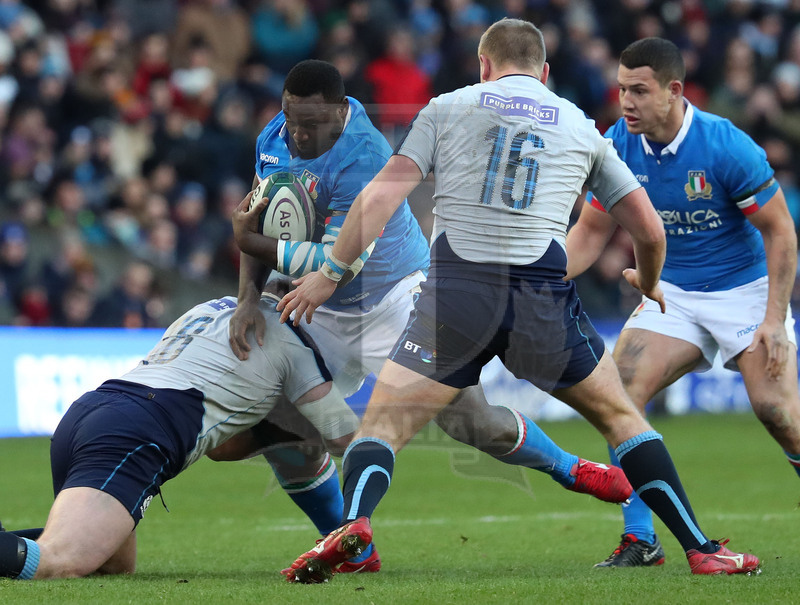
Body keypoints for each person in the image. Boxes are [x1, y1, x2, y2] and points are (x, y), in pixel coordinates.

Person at [276, 19, 761, 582]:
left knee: (382, 429)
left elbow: (378, 199)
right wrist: (650, 281)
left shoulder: (447, 107)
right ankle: (701, 549)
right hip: (541, 300)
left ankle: (355, 525)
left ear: (484, 65)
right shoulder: (581, 127)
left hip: (455, 295)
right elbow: (650, 231)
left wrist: (331, 272)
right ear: (545, 72)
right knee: (621, 417)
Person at [229, 59, 633, 522]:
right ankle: (346, 540)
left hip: (395, 299)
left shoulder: (364, 154)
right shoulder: (273, 138)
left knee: (473, 422)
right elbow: (254, 220)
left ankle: (569, 468)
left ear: (341, 112)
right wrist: (246, 298)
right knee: (271, 425)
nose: (299, 135)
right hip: (316, 308)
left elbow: (333, 262)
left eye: (312, 124)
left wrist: (249, 241)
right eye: (293, 120)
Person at [565, 37, 800, 568]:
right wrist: (534, 275)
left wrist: (774, 322)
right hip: (674, 294)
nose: (626, 102)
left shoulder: (724, 145)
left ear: (674, 91)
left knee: (778, 412)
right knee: (618, 394)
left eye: (640, 91)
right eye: (622, 89)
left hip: (747, 291)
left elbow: (781, 233)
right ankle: (641, 539)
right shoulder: (617, 145)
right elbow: (589, 233)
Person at [0, 292, 362, 579]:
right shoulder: (288, 339)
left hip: (93, 410)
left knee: (112, 565)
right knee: (59, 562)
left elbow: (221, 446)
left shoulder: (213, 308)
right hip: (138, 432)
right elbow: (346, 439)